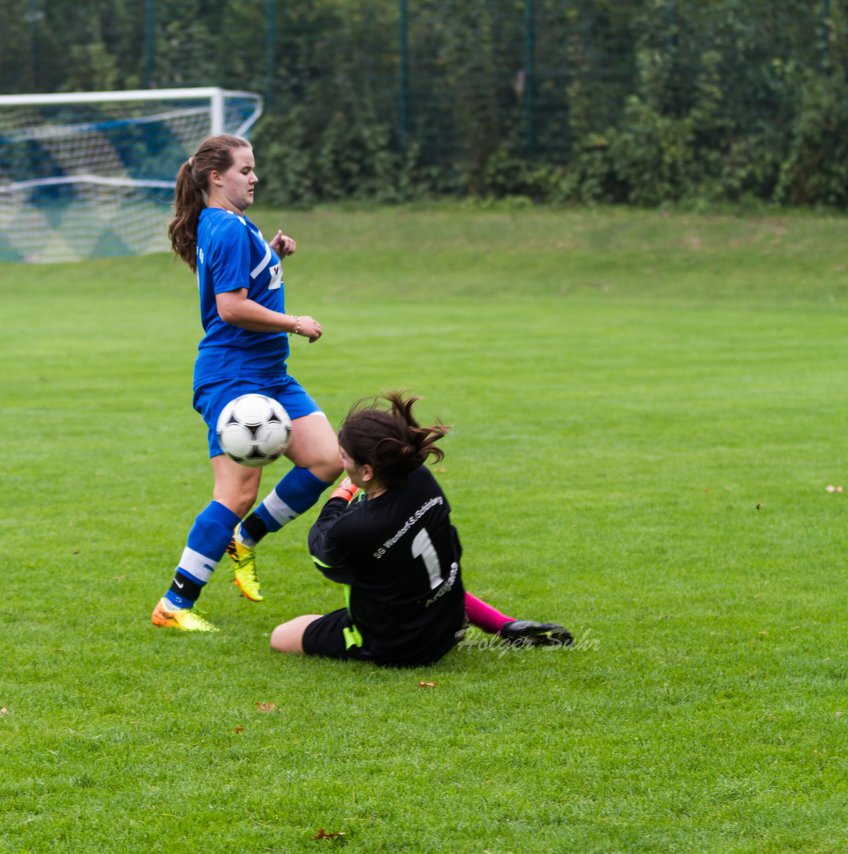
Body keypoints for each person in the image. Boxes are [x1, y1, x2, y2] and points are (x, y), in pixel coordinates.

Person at [151, 134, 343, 632]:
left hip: (268, 374)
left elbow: (245, 282)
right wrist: (296, 322)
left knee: (327, 459)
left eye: (253, 169)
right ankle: (175, 605)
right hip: (233, 375)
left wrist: (273, 256)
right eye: (244, 170)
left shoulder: (234, 224)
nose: (254, 177)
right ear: (216, 177)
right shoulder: (228, 228)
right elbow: (231, 307)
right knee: (236, 492)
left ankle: (246, 538)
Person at [271, 392, 572, 665]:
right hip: (449, 626)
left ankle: (358, 636)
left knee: (282, 635)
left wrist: (340, 495)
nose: (340, 460)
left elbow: (323, 549)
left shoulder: (354, 528)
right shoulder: (420, 478)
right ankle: (503, 623)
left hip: (395, 647)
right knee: (420, 578)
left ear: (367, 470)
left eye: (344, 456)